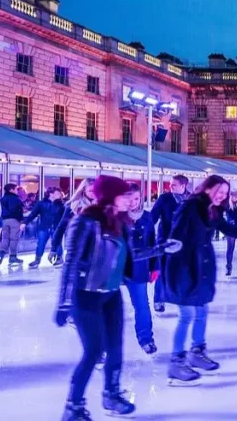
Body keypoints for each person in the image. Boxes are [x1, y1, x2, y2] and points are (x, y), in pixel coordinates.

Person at [55, 176, 179, 420]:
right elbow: (70, 262)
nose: (130, 201)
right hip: (86, 295)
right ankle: (74, 406)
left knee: (115, 348)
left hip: (111, 295)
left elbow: (131, 255)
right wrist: (64, 302)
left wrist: (160, 248)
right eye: (124, 196)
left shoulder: (120, 223)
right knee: (93, 351)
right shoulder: (85, 221)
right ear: (112, 197)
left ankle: (111, 395)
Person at [162, 175, 237, 386]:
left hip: (202, 268)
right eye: (219, 192)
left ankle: (197, 352)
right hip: (185, 268)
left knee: (202, 311)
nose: (222, 196)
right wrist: (173, 257)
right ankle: (176, 362)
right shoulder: (190, 207)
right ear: (207, 189)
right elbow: (175, 236)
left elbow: (231, 230)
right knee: (187, 315)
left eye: (225, 193)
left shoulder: (214, 210)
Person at [122, 182, 159, 355]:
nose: (132, 202)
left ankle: (146, 339)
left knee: (142, 305)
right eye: (129, 198)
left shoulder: (147, 217)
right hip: (116, 269)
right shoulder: (115, 215)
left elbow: (152, 242)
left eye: (136, 198)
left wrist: (155, 267)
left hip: (138, 268)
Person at [150, 175, 189, 312]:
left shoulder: (191, 200)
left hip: (183, 242)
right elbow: (153, 217)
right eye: (170, 184)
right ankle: (159, 300)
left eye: (174, 185)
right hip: (165, 240)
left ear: (183, 186)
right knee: (161, 271)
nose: (170, 187)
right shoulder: (164, 199)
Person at [51, 179, 96, 268]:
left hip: (95, 247)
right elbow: (61, 227)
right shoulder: (73, 206)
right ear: (83, 190)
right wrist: (54, 248)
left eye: (95, 190)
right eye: (90, 190)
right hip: (76, 246)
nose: (93, 193)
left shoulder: (100, 205)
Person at [25, 187, 65, 269]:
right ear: (51, 194)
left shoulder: (61, 205)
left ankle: (59, 259)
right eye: (58, 193)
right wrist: (24, 222)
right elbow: (33, 214)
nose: (60, 195)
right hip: (44, 227)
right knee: (40, 244)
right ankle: (37, 260)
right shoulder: (41, 203)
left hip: (57, 228)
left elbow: (65, 217)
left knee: (58, 244)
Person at [0, 183, 25, 267]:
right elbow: (17, 210)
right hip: (14, 220)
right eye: (16, 189)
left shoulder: (2, 199)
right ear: (11, 190)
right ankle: (13, 257)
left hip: (4, 221)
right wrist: (21, 220)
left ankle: (0, 254)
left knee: (5, 238)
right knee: (14, 239)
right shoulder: (16, 199)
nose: (17, 191)